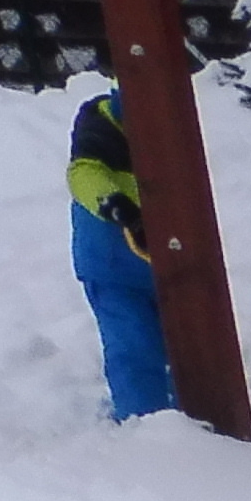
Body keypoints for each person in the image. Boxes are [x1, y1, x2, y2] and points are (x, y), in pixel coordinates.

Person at [64, 86, 171, 422]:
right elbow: (83, 173)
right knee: (132, 342)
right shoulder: (99, 124)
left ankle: (192, 411)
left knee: (185, 344)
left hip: (171, 262)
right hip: (111, 266)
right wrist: (114, 204)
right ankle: (144, 420)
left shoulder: (173, 129)